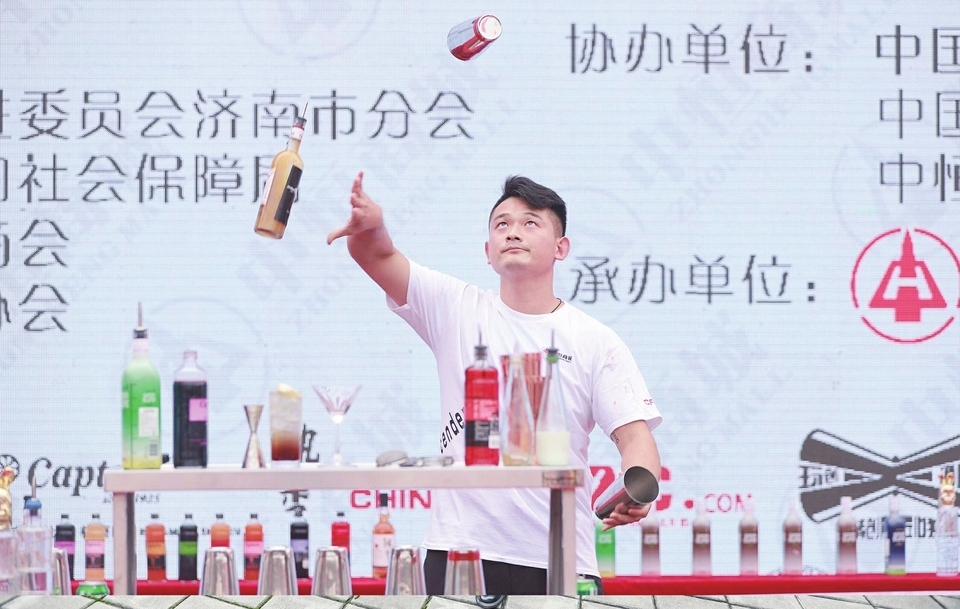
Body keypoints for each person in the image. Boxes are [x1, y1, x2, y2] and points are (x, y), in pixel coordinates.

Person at [328, 171, 662, 595]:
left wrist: (637, 488)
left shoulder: (595, 340)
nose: (513, 232)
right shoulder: (456, 308)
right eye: (502, 224)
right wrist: (371, 227)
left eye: (530, 222)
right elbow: (377, 256)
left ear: (561, 248)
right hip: (459, 552)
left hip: (561, 558)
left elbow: (635, 439)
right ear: (488, 251)